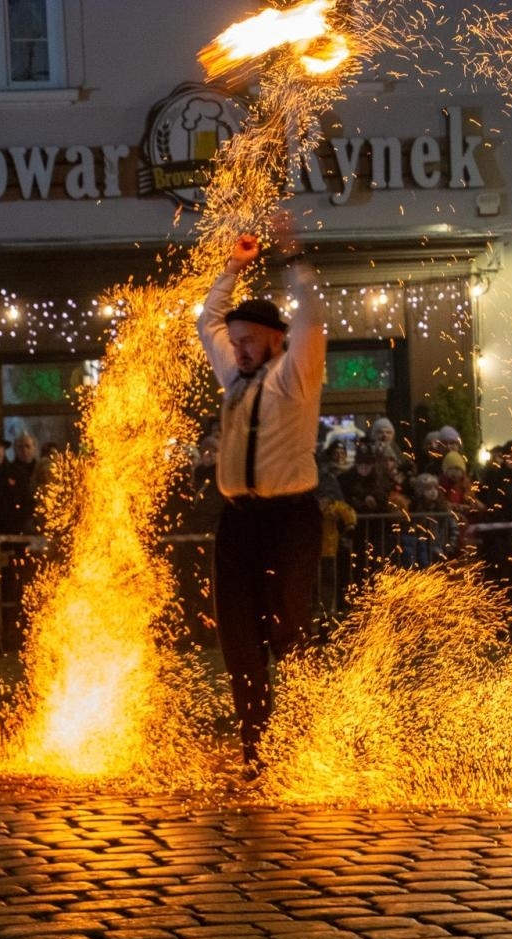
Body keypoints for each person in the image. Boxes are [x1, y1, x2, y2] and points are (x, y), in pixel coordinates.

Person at [196, 217, 324, 769]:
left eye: (249, 341)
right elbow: (208, 321)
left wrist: (294, 257)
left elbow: (314, 318)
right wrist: (232, 267)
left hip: (290, 520)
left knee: (289, 633)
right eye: (237, 341)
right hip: (238, 523)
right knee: (239, 641)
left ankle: (302, 740)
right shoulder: (236, 379)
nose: (239, 348)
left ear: (276, 340)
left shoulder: (294, 376)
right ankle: (257, 748)